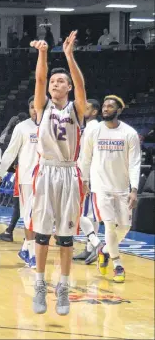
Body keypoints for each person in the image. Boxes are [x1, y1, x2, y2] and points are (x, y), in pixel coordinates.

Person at [30, 30, 87, 315]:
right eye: (53, 81)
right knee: (42, 234)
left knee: (65, 238)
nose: (55, 83)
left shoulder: (77, 109)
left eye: (60, 81)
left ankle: (62, 287)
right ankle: (39, 284)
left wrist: (68, 55)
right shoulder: (42, 107)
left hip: (68, 173)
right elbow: (40, 79)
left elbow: (80, 83)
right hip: (46, 172)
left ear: (67, 87)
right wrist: (42, 54)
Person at [81, 95, 141, 283]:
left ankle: (104, 250)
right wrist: (84, 180)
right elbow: (86, 157)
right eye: (104, 106)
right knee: (109, 225)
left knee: (124, 227)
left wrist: (134, 189)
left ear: (119, 110)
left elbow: (134, 164)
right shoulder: (95, 131)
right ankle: (118, 265)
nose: (106, 109)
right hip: (101, 187)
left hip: (122, 187)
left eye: (110, 106)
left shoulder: (129, 133)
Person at [0, 96, 38, 268]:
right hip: (26, 179)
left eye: (37, 106)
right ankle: (31, 253)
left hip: (47, 178)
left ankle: (26, 248)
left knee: (41, 218)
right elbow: (9, 153)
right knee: (30, 217)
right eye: (31, 106)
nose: (34, 109)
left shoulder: (50, 125)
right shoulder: (22, 127)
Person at [74, 99, 102, 264]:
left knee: (86, 213)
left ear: (94, 112)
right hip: (85, 173)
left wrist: (86, 178)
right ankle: (90, 248)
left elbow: (90, 156)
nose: (83, 108)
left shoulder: (94, 128)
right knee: (88, 214)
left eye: (87, 107)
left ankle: (95, 246)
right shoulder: (88, 128)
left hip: (89, 175)